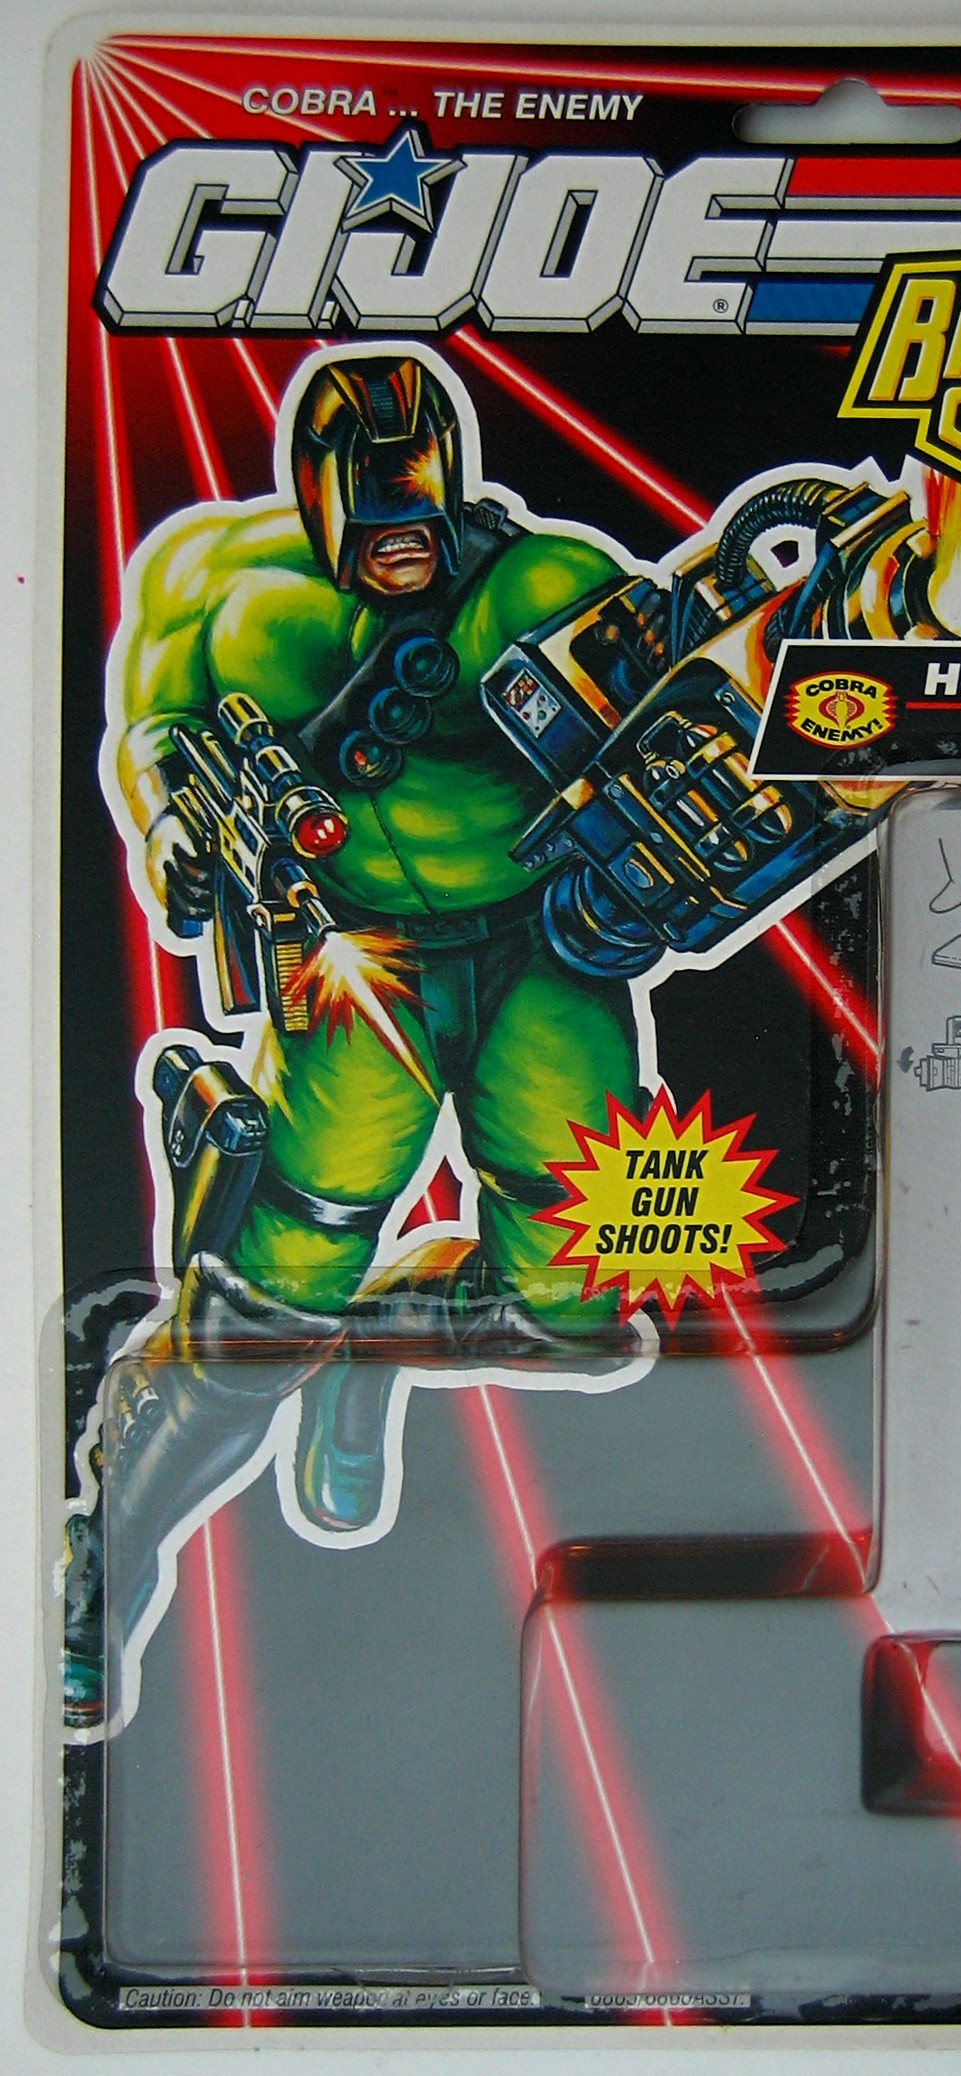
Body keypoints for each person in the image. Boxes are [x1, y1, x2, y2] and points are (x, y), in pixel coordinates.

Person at [67, 348, 650, 1730]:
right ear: (319, 500)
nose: (402, 552)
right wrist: (174, 828)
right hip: (350, 962)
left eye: (419, 520)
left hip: (538, 944)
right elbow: (154, 725)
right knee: (270, 1299)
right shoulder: (218, 582)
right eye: (374, 523)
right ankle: (105, 1567)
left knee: (584, 1311)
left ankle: (381, 1337)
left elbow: (688, 717)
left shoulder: (548, 587)